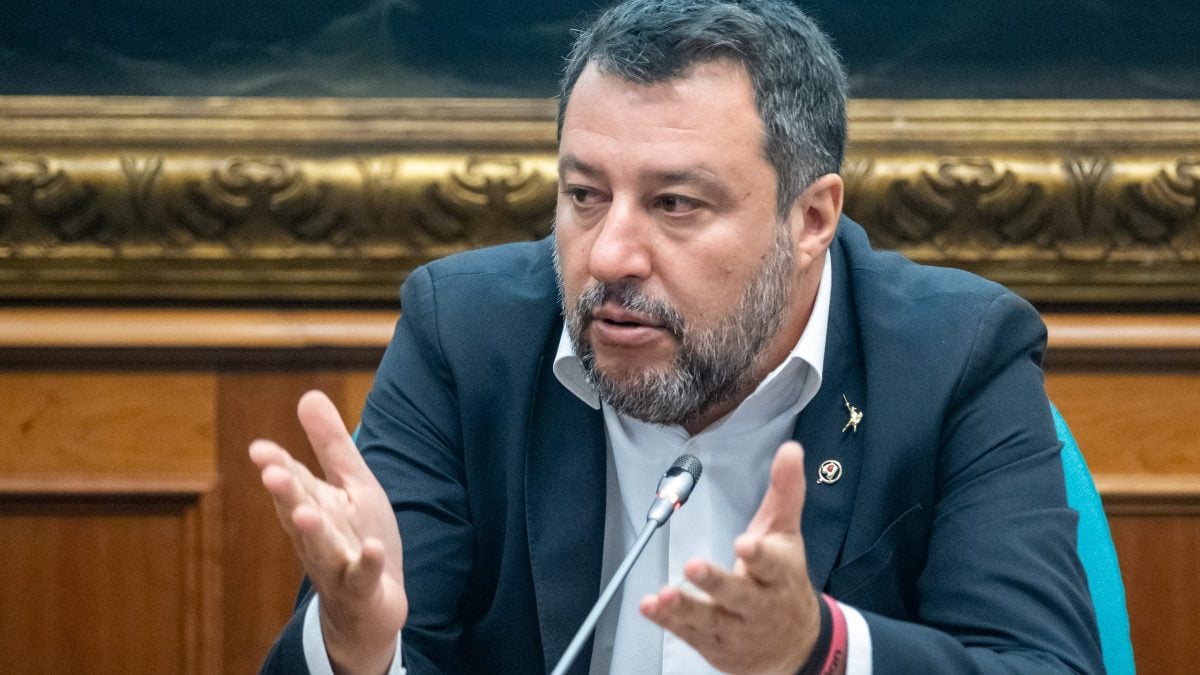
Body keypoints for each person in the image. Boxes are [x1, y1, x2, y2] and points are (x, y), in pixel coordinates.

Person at [251, 0, 1105, 673]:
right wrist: (356, 647)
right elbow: (380, 634)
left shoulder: (954, 356)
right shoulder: (467, 336)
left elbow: (1041, 662)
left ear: (811, 218)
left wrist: (819, 649)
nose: (609, 255)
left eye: (675, 204)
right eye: (585, 196)